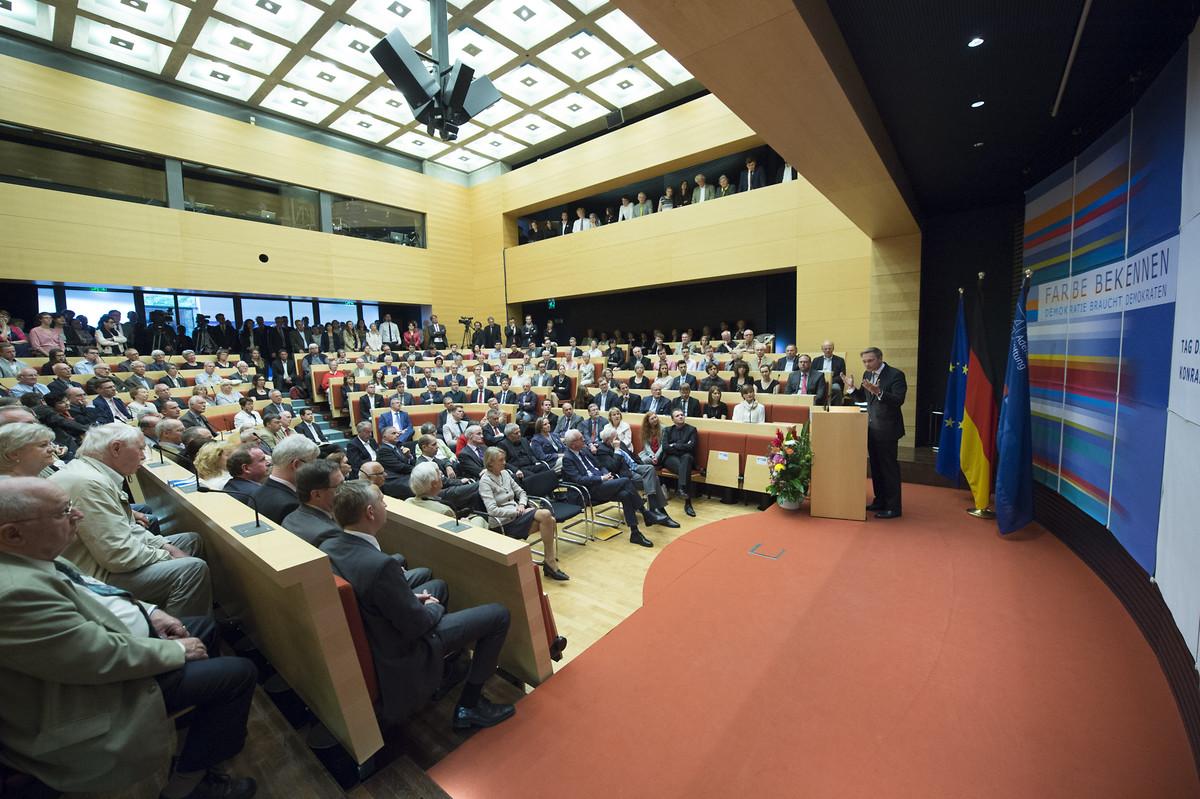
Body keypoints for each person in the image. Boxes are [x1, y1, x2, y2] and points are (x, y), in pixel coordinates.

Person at [0, 478, 258, 798]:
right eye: (63, 512)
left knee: (204, 627)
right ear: (12, 533)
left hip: (119, 647)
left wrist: (152, 612)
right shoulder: (13, 593)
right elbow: (95, 658)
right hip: (95, 695)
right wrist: (175, 652)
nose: (78, 515)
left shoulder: (28, 554)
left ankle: (198, 738)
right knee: (238, 673)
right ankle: (189, 786)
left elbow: (97, 593)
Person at [320, 479, 516, 729]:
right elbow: (418, 625)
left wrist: (412, 600)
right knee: (499, 615)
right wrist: (433, 607)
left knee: (439, 586)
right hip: (400, 647)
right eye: (381, 501)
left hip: (378, 628)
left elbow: (377, 599)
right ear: (370, 512)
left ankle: (444, 672)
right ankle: (470, 706)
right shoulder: (380, 566)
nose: (385, 505)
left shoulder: (330, 545)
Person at [49, 423, 212, 616]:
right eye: (140, 449)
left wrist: (163, 545)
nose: (143, 456)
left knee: (190, 541)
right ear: (116, 448)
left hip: (101, 560)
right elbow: (118, 556)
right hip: (94, 577)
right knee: (192, 569)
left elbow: (127, 526)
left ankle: (198, 607)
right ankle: (179, 629)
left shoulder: (92, 472)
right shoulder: (88, 483)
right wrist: (166, 555)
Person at [477, 448, 568, 579]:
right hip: (502, 523)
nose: (504, 462)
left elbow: (521, 492)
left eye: (504, 459)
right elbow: (492, 510)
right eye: (501, 460)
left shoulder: (505, 474)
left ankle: (549, 561)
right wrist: (517, 512)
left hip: (518, 515)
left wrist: (521, 505)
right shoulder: (485, 481)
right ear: (490, 463)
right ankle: (550, 562)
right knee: (547, 516)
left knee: (550, 520)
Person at [561, 430, 654, 547]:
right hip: (588, 491)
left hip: (601, 484)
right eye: (580, 438)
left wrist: (606, 475)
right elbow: (579, 479)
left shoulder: (584, 450)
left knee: (625, 495)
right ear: (573, 444)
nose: (584, 439)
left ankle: (635, 533)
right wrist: (601, 478)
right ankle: (645, 513)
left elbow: (600, 466)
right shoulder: (567, 459)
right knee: (625, 481)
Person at [846, 347, 907, 519]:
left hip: (888, 429)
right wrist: (852, 389)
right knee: (876, 468)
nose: (867, 364)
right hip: (871, 428)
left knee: (889, 469)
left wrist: (879, 391)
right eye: (864, 361)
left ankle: (893, 507)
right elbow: (864, 399)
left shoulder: (895, 375)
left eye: (870, 360)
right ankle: (880, 500)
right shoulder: (867, 374)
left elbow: (898, 400)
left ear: (880, 358)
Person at [256, 435, 320, 523]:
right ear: (297, 465)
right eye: (312, 464)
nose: (315, 469)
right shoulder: (290, 505)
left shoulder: (257, 492)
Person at [281, 459, 345, 546]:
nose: (345, 489)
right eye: (339, 486)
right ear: (317, 494)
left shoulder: (289, 519)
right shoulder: (329, 533)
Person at [406, 461, 488, 528]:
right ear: (434, 484)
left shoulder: (407, 501)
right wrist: (466, 523)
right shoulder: (444, 511)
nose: (442, 477)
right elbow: (456, 535)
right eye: (440, 476)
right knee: (479, 519)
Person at [661, 409, 698, 516]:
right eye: (677, 416)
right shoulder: (667, 430)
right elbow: (665, 447)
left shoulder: (692, 429)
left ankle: (682, 489)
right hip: (671, 459)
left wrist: (675, 445)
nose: (681, 417)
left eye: (682, 415)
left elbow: (691, 446)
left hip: (687, 458)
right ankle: (687, 503)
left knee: (686, 459)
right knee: (685, 469)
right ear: (672, 419)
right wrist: (683, 446)